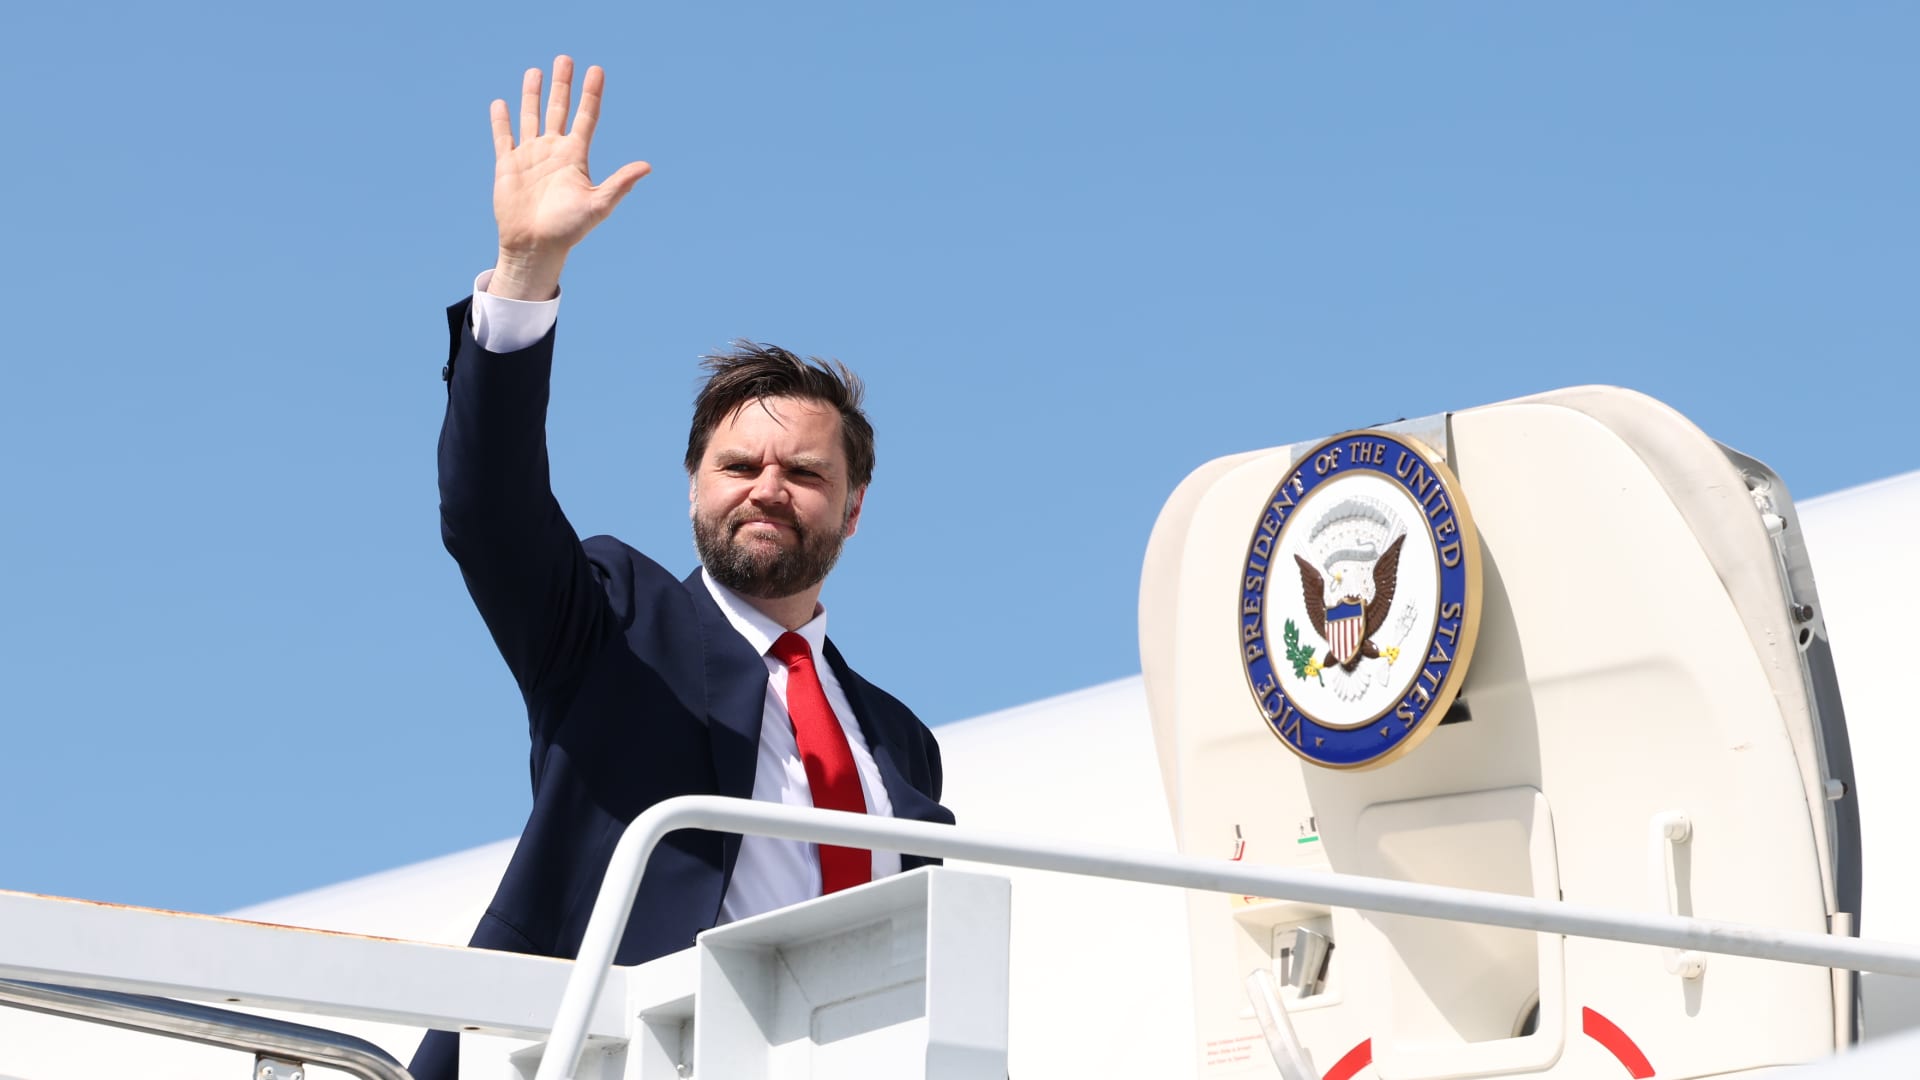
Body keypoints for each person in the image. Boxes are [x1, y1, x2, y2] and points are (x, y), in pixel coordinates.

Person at [416, 56, 953, 1080]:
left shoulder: (899, 744)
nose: (768, 488)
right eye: (738, 466)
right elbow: (487, 508)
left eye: (804, 472)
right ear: (693, 486)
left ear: (853, 508)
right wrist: (526, 270)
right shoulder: (610, 627)